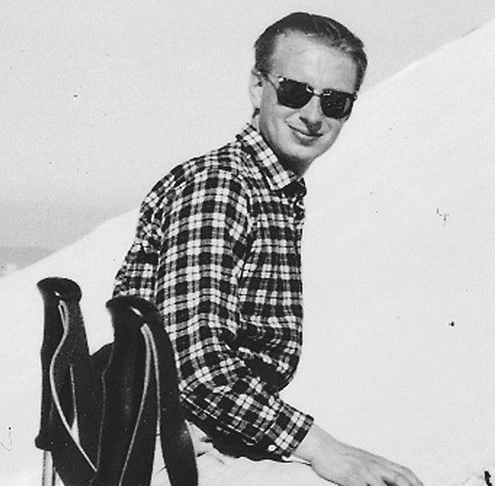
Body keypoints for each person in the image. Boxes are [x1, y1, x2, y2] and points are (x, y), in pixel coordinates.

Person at [114, 11, 424, 486]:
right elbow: (194, 368)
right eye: (295, 91)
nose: (313, 116)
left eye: (335, 101)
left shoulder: (270, 191)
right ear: (258, 87)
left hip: (204, 435)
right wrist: (323, 448)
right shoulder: (221, 187)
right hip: (163, 446)